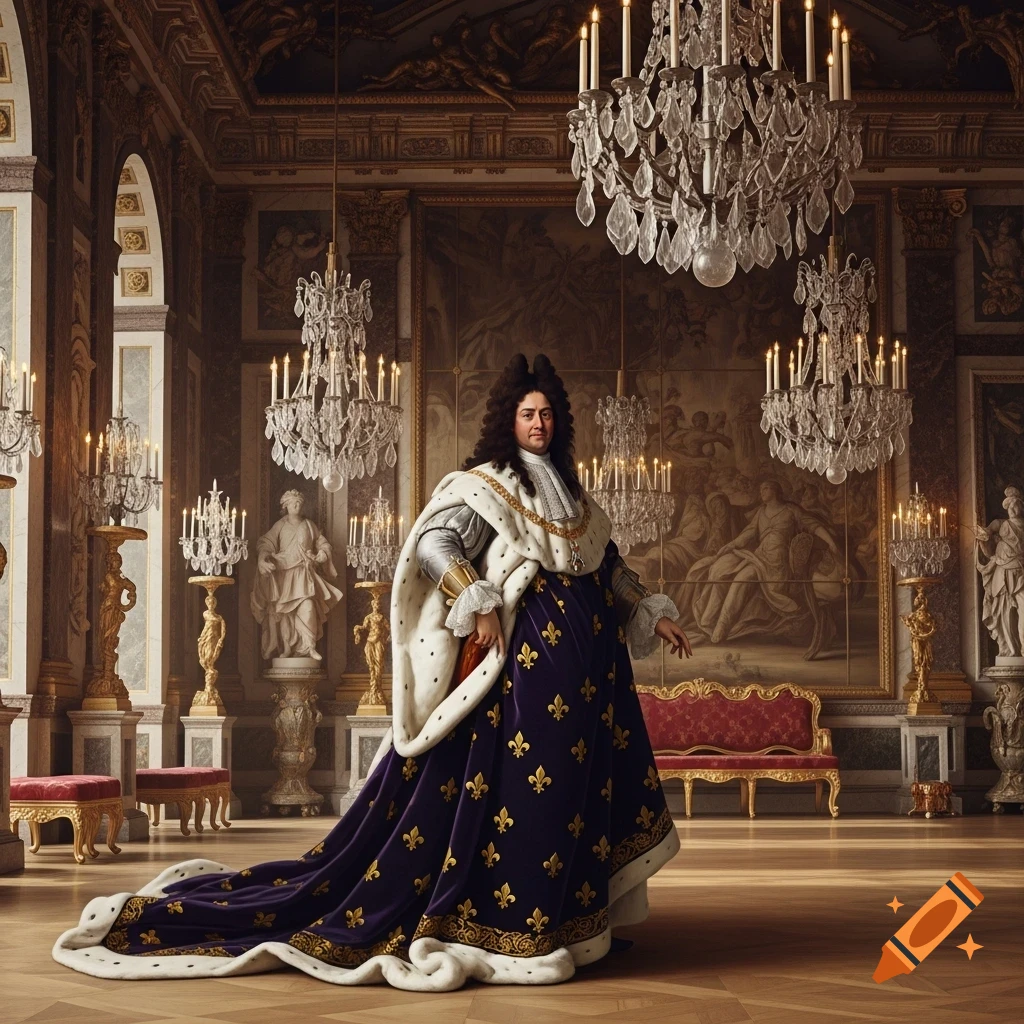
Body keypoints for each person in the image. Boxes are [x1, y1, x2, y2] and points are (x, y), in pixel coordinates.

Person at [53, 353, 690, 991]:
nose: (539, 424)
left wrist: (649, 612)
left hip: (589, 683)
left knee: (575, 794)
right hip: (518, 683)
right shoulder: (487, 486)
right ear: (510, 420)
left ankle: (571, 923)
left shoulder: (574, 494)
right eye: (528, 414)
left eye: (547, 414)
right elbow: (435, 545)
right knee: (528, 798)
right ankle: (513, 923)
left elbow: (606, 565)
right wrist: (477, 600)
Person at [250, 489, 343, 661]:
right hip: (284, 575)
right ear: (285, 505)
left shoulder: (309, 525)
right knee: (286, 614)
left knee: (308, 607)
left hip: (303, 574)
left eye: (299, 502)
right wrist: (263, 559)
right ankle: (286, 648)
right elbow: (266, 544)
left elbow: (323, 543)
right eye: (293, 502)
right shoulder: (280, 525)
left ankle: (309, 646)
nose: (296, 505)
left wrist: (322, 554)